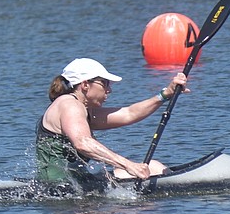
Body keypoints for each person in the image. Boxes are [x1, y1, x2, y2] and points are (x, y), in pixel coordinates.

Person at [35, 57, 188, 187]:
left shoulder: (81, 108)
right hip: (60, 188)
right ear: (85, 84)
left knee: (153, 166)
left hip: (78, 181)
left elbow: (129, 114)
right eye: (104, 83)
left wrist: (165, 94)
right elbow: (83, 143)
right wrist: (129, 165)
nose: (109, 90)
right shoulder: (70, 105)